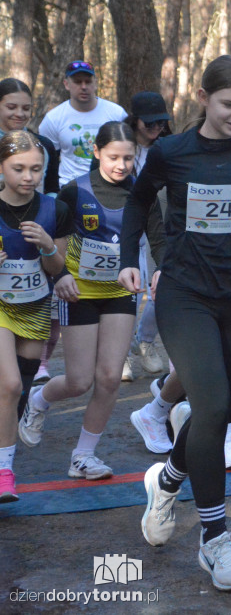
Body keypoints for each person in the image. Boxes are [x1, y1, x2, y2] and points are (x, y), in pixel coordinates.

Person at [119, 55, 231, 591]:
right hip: (185, 293)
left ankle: (168, 479)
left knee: (215, 407)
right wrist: (134, 255)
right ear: (203, 98)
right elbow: (137, 203)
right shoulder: (172, 151)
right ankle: (214, 542)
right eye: (229, 105)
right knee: (213, 404)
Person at [18, 122, 165, 479]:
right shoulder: (74, 192)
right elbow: (54, 241)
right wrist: (58, 276)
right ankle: (38, 402)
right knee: (79, 381)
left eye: (129, 158)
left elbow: (159, 237)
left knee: (111, 378)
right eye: (114, 156)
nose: (121, 165)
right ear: (97, 152)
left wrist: (161, 268)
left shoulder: (142, 193)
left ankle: (83, 456)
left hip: (120, 292)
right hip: (79, 292)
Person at [0, 131, 72, 501]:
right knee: (9, 385)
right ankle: (4, 473)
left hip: (34, 306)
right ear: (1, 167)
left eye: (36, 169)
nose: (27, 176)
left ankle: (3, 454)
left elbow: (58, 267)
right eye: (18, 168)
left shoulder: (54, 209)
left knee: (20, 389)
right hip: (0, 308)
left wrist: (46, 246)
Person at [123, 91, 172, 380]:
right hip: (128, 228)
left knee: (160, 290)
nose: (155, 129)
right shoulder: (121, 144)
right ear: (135, 120)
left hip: (161, 229)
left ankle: (146, 341)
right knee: (130, 291)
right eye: (149, 123)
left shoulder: (168, 147)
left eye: (160, 123)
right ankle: (124, 353)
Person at [38, 61, 128, 188]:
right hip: (69, 187)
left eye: (88, 81)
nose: (84, 87)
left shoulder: (116, 114)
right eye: (78, 82)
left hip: (110, 186)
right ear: (66, 84)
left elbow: (127, 152)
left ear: (95, 83)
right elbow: (48, 160)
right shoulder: (53, 119)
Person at [0, 78, 60, 195]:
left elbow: (52, 189)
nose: (20, 114)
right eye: (11, 107)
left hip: (35, 211)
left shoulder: (43, 145)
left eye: (26, 108)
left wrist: (50, 206)